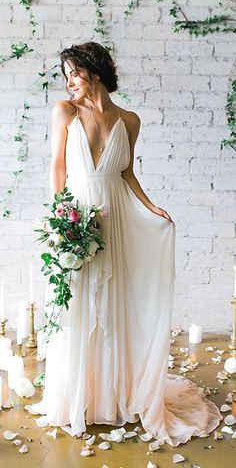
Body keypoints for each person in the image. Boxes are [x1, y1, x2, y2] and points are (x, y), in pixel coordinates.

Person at [26, 41, 222, 446]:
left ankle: (111, 396)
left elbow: (127, 171)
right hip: (78, 214)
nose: (69, 83)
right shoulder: (65, 113)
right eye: (65, 76)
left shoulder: (129, 120)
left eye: (73, 74)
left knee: (113, 302)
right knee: (79, 301)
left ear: (94, 72)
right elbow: (57, 166)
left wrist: (151, 207)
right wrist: (60, 216)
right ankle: (77, 397)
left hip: (114, 218)